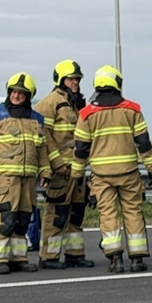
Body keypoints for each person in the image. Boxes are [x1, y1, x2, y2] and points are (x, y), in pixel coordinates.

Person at [71, 65, 152, 274]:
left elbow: (81, 149)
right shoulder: (133, 110)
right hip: (129, 173)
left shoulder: (86, 114)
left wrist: (76, 175)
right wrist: (151, 167)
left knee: (108, 215)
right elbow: (143, 142)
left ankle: (115, 260)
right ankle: (137, 259)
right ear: (117, 84)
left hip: (102, 176)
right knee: (133, 212)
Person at [0, 74, 58, 275]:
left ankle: (18, 258)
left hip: (29, 180)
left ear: (28, 95)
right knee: (5, 218)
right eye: (14, 92)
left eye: (21, 93)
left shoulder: (36, 120)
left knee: (23, 218)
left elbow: (42, 149)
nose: (16, 96)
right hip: (6, 178)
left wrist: (45, 172)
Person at [35, 60, 95, 269]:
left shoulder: (77, 102)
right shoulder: (50, 102)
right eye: (71, 78)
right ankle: (49, 257)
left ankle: (74, 254)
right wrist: (56, 162)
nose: (75, 82)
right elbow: (44, 135)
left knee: (76, 213)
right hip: (60, 170)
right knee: (56, 214)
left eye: (77, 79)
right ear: (60, 79)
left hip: (78, 169)